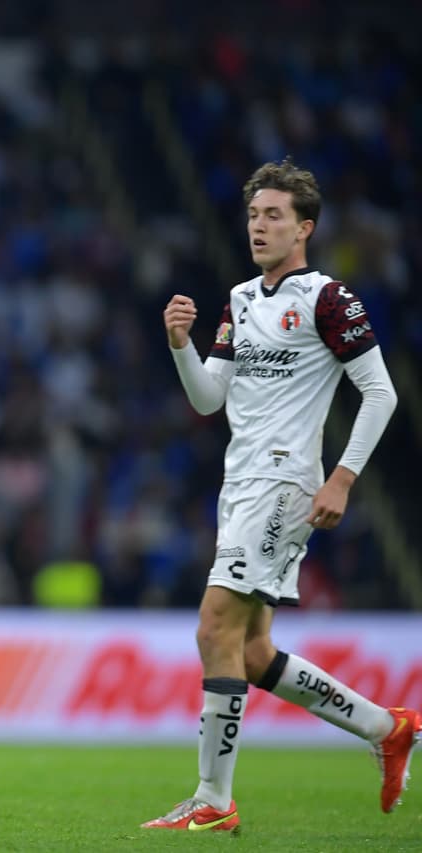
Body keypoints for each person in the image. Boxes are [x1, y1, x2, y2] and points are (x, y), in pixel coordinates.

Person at [143, 159, 418, 832]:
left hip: (286, 479)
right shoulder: (239, 299)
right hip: (240, 482)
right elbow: (210, 398)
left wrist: (344, 475)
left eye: (273, 216)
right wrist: (181, 343)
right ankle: (389, 726)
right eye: (253, 215)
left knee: (214, 625)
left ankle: (213, 798)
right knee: (253, 649)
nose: (259, 227)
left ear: (305, 228)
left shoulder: (329, 298)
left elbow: (381, 392)